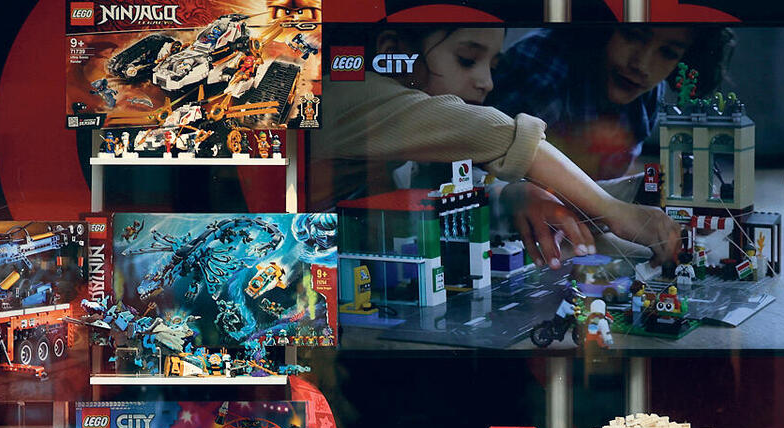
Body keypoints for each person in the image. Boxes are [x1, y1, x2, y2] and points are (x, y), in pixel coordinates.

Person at [312, 27, 680, 269]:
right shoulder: (346, 94)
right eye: (467, 60)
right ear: (393, 52)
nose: (486, 82)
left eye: (492, 65)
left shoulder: (406, 134)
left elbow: (442, 182)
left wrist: (515, 195)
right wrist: (613, 209)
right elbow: (495, 133)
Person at [486, 26, 731, 266]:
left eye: (668, 53)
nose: (642, 65)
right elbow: (489, 182)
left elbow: (588, 196)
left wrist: (642, 192)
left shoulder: (645, 92)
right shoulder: (542, 66)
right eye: (632, 36)